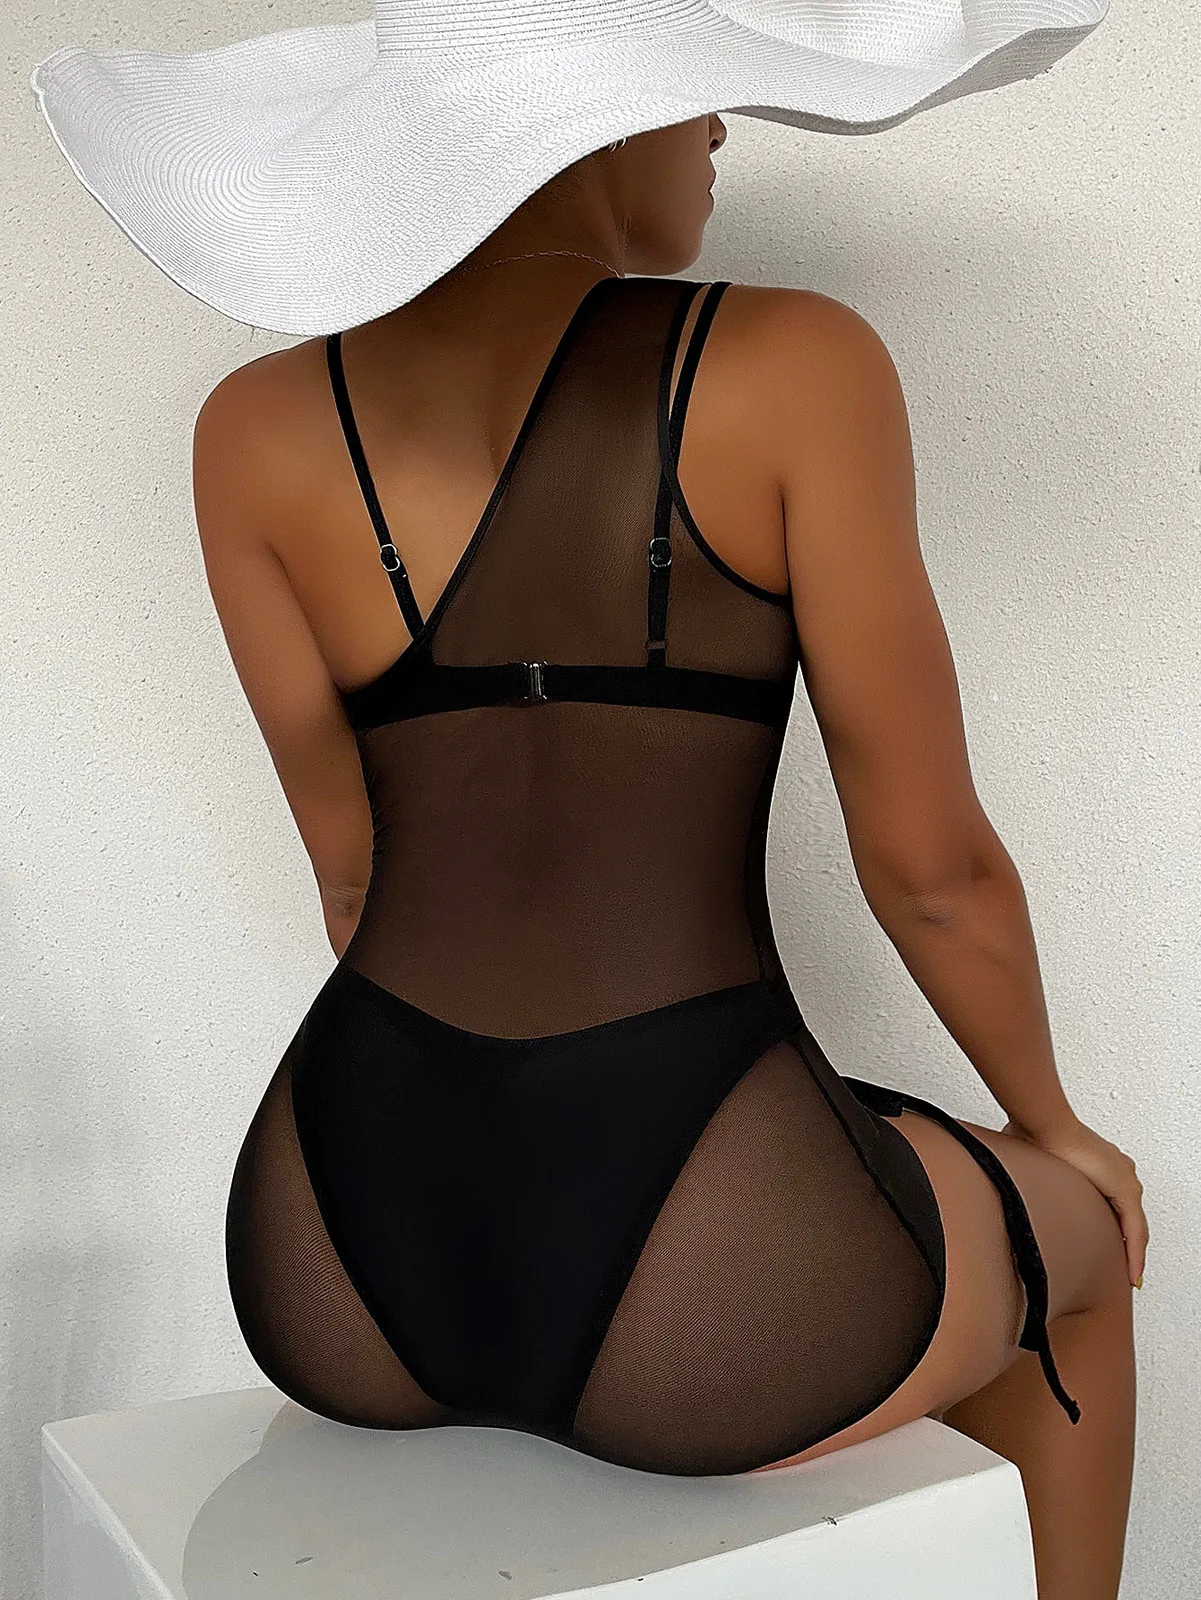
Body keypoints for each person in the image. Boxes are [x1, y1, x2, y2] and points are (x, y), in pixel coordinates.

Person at [33, 5, 1140, 1597]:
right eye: (693, 96)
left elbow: (353, 885)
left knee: (878, 1129)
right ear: (593, 126)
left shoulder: (249, 433)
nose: (716, 132)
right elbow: (934, 870)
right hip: (717, 1279)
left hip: (339, 1251)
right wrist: (1058, 1127)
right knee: (1081, 1251)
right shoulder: (793, 365)